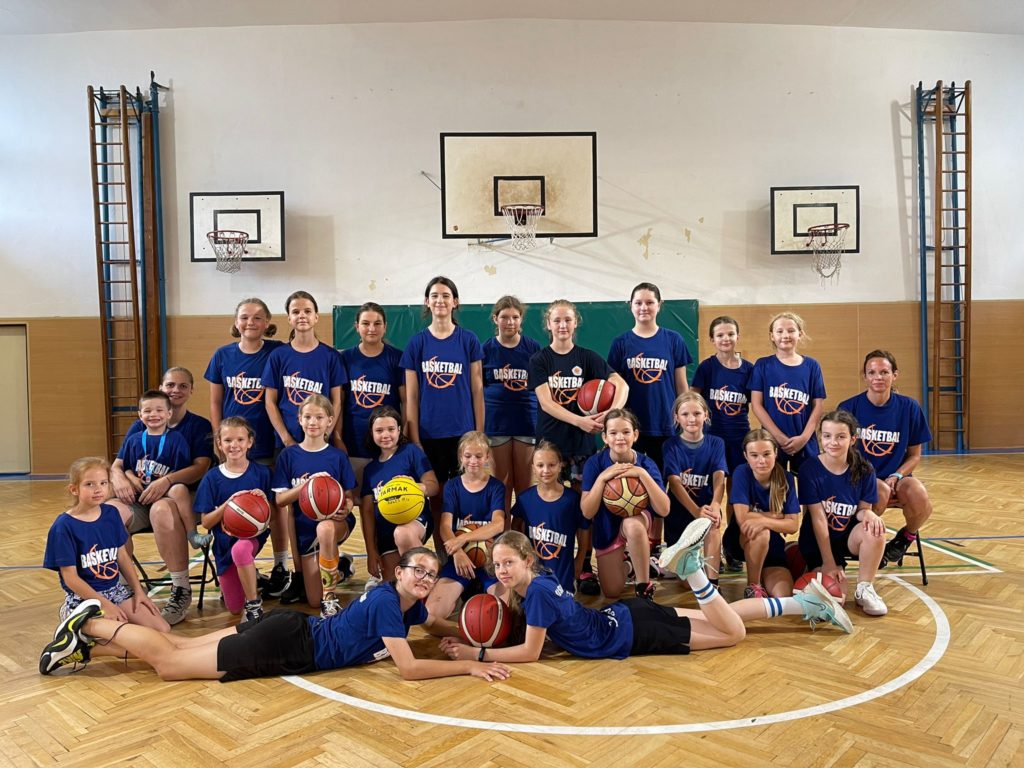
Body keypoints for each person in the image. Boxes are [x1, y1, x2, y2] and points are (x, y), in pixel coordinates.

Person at [41, 549, 511, 683]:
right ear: (399, 572)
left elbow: (430, 624)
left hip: (290, 625)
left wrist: (469, 638)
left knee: (179, 645)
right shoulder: (390, 604)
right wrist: (470, 666)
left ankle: (88, 641)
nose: (426, 578)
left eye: (431, 574)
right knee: (169, 664)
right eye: (418, 571)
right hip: (287, 644)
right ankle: (90, 623)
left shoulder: (406, 602)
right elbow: (407, 668)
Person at [438, 522, 851, 665]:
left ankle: (692, 573)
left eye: (509, 563)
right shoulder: (541, 582)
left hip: (633, 633)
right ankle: (804, 602)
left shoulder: (537, 596)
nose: (502, 571)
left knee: (732, 634)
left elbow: (530, 653)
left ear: (528, 560)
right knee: (726, 616)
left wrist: (477, 653)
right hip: (628, 614)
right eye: (498, 565)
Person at [529, 299, 628, 595]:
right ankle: (551, 562)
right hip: (551, 445)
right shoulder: (540, 360)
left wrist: (610, 414)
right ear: (548, 324)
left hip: (582, 446)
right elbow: (546, 403)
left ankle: (583, 565)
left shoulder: (588, 358)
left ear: (576, 323)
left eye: (567, 320)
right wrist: (579, 420)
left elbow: (622, 385)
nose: (562, 325)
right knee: (553, 506)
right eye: (557, 320)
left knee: (585, 509)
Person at [262, 291, 348, 596]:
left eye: (307, 310)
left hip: (320, 442)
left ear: (315, 316)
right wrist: (287, 438)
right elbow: (270, 401)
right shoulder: (278, 356)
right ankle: (297, 572)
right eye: (296, 311)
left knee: (326, 501)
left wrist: (327, 435)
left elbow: (337, 400)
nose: (302, 315)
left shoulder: (330, 357)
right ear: (289, 317)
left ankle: (333, 560)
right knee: (289, 507)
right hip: (287, 443)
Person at [204, 298, 288, 596]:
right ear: (236, 322)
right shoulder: (222, 355)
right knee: (235, 506)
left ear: (267, 323)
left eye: (257, 317)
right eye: (244, 317)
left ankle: (280, 565)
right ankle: (238, 563)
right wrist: (219, 439)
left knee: (274, 506)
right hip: (233, 446)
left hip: (266, 442)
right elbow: (215, 402)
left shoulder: (277, 352)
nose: (250, 322)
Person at [109, 384, 211, 626]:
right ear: (139, 414)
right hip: (138, 498)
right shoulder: (135, 436)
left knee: (163, 509)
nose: (153, 415)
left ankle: (180, 588)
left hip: (166, 497)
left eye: (158, 410)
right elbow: (123, 466)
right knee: (110, 513)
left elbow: (183, 473)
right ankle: (123, 589)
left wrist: (163, 484)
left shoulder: (182, 436)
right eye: (147, 411)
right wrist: (129, 478)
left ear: (168, 413)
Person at [43, 457, 169, 640]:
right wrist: (104, 604)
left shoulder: (111, 514)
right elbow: (70, 578)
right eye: (89, 484)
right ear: (74, 489)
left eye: (103, 483)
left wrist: (138, 591)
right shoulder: (63, 526)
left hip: (115, 591)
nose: (98, 489)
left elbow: (122, 556)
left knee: (162, 630)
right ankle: (72, 625)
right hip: (84, 599)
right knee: (129, 641)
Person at [401, 277, 484, 549]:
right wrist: (414, 439)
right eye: (434, 295)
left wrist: (479, 434)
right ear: (427, 302)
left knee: (465, 497)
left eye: (446, 295)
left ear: (455, 302)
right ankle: (442, 555)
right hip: (429, 435)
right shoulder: (417, 343)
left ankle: (469, 551)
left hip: (463, 435)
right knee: (436, 500)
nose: (440, 300)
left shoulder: (468, 340)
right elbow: (412, 396)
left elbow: (477, 390)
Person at [839, 350, 933, 566]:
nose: (878, 377)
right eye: (872, 372)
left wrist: (897, 475)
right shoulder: (849, 407)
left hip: (895, 477)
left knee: (919, 495)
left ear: (894, 375)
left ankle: (904, 539)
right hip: (858, 477)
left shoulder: (909, 407)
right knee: (879, 490)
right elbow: (840, 454)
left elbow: (915, 456)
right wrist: (868, 478)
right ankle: (864, 543)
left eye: (884, 372)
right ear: (864, 376)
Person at [271, 396, 358, 616]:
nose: (313, 422)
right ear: (299, 419)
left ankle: (330, 598)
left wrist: (347, 507)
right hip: (305, 529)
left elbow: (349, 495)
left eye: (319, 417)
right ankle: (341, 566)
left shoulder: (337, 456)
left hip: (335, 523)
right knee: (312, 600)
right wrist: (307, 486)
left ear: (329, 421)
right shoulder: (288, 456)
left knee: (325, 528)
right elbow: (280, 501)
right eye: (308, 417)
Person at [798, 410, 888, 616]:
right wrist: (829, 562)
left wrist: (868, 514)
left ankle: (865, 588)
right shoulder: (809, 469)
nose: (833, 442)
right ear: (820, 438)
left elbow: (862, 510)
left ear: (852, 439)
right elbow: (818, 518)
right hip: (817, 540)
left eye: (840, 436)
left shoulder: (864, 469)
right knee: (835, 599)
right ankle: (818, 567)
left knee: (875, 528)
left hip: (847, 537)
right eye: (827, 436)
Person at [581, 408, 670, 599]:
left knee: (632, 525)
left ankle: (643, 587)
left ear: (635, 435)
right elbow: (587, 512)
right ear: (605, 437)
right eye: (613, 433)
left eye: (626, 432)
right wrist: (602, 479)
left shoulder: (646, 464)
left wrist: (642, 474)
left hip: (637, 519)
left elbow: (664, 509)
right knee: (611, 591)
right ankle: (630, 564)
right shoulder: (594, 464)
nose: (620, 437)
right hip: (607, 524)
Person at [194, 417, 275, 622]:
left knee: (241, 549)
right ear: (219, 444)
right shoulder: (212, 478)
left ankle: (254, 604)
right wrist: (229, 505)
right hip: (223, 544)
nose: (234, 445)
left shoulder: (262, 474)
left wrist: (264, 504)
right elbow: (206, 522)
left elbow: (274, 515)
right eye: (228, 440)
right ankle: (248, 576)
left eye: (240, 439)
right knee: (234, 608)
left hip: (251, 538)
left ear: (250, 442)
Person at [690, 315, 754, 572]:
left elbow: (758, 402)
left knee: (735, 495)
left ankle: (731, 547)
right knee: (710, 493)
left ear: (738, 336)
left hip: (739, 438)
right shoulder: (706, 367)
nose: (726, 339)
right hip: (712, 440)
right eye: (720, 335)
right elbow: (693, 399)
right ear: (711, 339)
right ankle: (701, 546)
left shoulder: (748, 369)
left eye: (730, 334)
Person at [607, 282, 691, 473]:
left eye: (649, 302)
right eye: (638, 303)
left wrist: (684, 416)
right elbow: (614, 388)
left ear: (659, 305)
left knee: (662, 479)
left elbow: (681, 386)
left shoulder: (674, 339)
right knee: (629, 481)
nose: (643, 307)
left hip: (665, 423)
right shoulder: (620, 343)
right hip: (628, 426)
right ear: (631, 306)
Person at [424, 431, 506, 626]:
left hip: (490, 562)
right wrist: (458, 552)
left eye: (478, 456)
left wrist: (461, 539)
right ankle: (460, 632)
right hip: (460, 560)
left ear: (487, 457)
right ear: (461, 457)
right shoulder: (452, 486)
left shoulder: (496, 487)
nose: (473, 461)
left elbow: (499, 524)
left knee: (508, 614)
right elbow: (445, 526)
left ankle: (478, 595)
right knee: (430, 616)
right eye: (468, 456)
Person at [359, 406, 439, 590]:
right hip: (385, 532)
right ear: (371, 433)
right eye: (379, 430)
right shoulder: (370, 471)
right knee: (393, 587)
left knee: (402, 533)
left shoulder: (410, 452)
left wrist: (417, 487)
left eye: (391, 429)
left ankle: (430, 585)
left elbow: (433, 486)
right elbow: (367, 513)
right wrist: (371, 551)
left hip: (415, 521)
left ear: (399, 430)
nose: (385, 435)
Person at [483, 295, 542, 518]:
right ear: (495, 319)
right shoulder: (486, 349)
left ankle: (523, 534)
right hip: (496, 424)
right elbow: (478, 388)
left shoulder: (532, 347)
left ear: (521, 319)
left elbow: (540, 387)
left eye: (515, 317)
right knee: (501, 486)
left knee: (524, 486)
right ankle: (503, 533)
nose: (510, 322)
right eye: (505, 317)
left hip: (526, 421)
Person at [723, 429, 800, 598]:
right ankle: (753, 586)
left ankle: (766, 571)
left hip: (773, 544)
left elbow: (793, 525)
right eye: (754, 455)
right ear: (746, 456)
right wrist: (777, 516)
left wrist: (763, 520)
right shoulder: (742, 472)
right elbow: (743, 519)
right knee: (761, 532)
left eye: (766, 454)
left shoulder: (785, 478)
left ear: (775, 453)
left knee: (783, 596)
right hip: (740, 539)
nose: (761, 461)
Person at [339, 302, 405, 492]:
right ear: (356, 326)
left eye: (377, 323)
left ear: (385, 327)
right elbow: (339, 403)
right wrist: (337, 437)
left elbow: (407, 401)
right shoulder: (345, 358)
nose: (371, 329)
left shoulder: (397, 357)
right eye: (366, 323)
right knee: (356, 499)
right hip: (354, 442)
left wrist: (404, 435)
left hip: (388, 444)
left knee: (388, 500)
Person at [662, 392, 727, 584]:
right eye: (685, 414)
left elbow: (719, 477)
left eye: (697, 413)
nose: (692, 419)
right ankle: (687, 557)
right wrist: (695, 511)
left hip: (705, 508)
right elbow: (674, 483)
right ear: (676, 417)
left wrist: (715, 505)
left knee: (713, 521)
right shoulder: (670, 445)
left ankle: (713, 582)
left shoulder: (716, 443)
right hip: (680, 513)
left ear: (706, 414)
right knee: (685, 581)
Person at [749, 312, 826, 472]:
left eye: (791, 330)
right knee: (774, 484)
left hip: (804, 440)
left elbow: (818, 406)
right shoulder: (762, 365)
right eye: (780, 331)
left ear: (800, 334)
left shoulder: (812, 366)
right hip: (772, 440)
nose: (785, 335)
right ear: (772, 336)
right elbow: (756, 405)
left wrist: (804, 438)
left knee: (810, 484)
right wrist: (778, 437)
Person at [510, 440, 589, 593]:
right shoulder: (525, 499)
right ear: (533, 468)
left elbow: (583, 529)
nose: (546, 470)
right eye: (540, 465)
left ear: (560, 466)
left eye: (551, 465)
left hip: (563, 577)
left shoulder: (572, 499)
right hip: (532, 575)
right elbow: (515, 527)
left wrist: (580, 559)